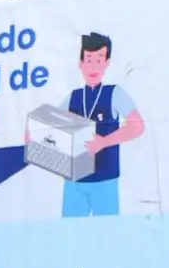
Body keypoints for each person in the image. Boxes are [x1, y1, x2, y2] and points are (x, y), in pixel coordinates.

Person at [60, 31, 144, 218]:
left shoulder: (114, 93)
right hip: (74, 180)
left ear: (107, 63)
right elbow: (50, 125)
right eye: (89, 60)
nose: (93, 66)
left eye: (99, 60)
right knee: (70, 232)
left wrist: (104, 142)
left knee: (107, 232)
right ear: (80, 63)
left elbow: (137, 126)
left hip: (105, 179)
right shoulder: (73, 97)